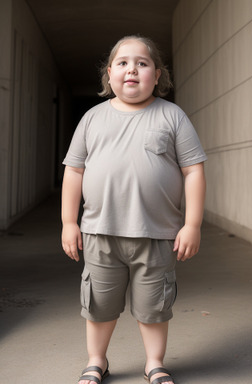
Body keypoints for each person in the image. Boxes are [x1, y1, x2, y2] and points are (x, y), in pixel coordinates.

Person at [61, 35, 207, 384]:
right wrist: (69, 221)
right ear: (109, 74)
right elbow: (74, 170)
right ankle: (96, 361)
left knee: (154, 306)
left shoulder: (172, 116)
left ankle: (154, 363)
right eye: (123, 63)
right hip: (100, 232)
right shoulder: (93, 118)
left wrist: (193, 224)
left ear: (157, 75)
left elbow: (193, 170)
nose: (132, 69)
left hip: (157, 234)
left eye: (142, 63)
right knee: (98, 304)